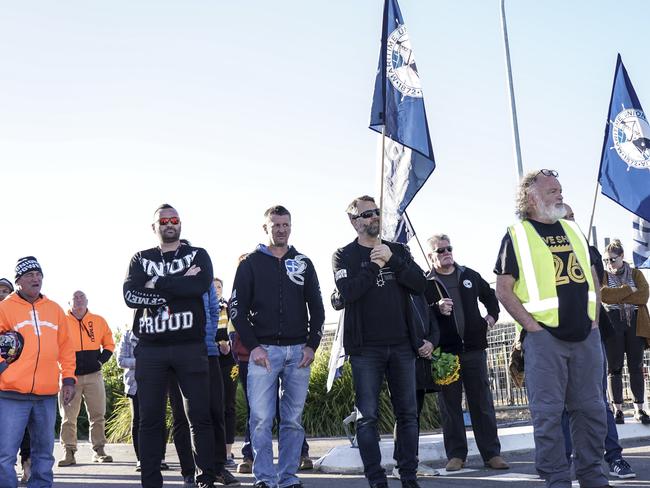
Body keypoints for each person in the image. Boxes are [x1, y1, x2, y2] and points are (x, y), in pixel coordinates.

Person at [494, 169, 608, 488]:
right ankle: (556, 478)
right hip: (545, 340)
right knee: (548, 416)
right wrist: (533, 328)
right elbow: (504, 289)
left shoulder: (573, 231)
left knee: (591, 412)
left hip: (586, 337)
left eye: (560, 189)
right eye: (552, 191)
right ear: (531, 198)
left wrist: (595, 320)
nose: (560, 194)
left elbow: (594, 276)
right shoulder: (517, 235)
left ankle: (592, 476)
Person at [123, 203, 225, 488]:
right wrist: (178, 283)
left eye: (175, 219)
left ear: (180, 223)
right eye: (163, 220)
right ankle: (151, 482)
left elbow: (199, 285)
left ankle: (206, 478)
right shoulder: (140, 258)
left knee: (199, 417)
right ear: (154, 227)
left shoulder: (198, 255)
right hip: (151, 348)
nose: (170, 224)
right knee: (150, 420)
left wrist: (155, 284)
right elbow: (130, 295)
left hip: (189, 346)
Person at [332, 195, 427, 488]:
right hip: (366, 349)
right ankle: (376, 479)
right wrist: (373, 267)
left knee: (408, 414)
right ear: (354, 221)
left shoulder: (397, 249)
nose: (374, 217)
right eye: (366, 214)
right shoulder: (343, 255)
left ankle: (408, 475)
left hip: (401, 345)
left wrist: (393, 260)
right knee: (367, 416)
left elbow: (419, 283)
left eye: (376, 212)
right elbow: (347, 293)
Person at [231, 205, 325, 488]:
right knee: (260, 419)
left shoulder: (304, 263)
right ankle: (264, 478)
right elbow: (237, 309)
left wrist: (312, 346)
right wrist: (254, 347)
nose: (281, 229)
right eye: (275, 225)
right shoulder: (250, 264)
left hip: (298, 353)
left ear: (291, 226)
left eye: (285, 224)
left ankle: (288, 478)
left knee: (293, 420)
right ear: (265, 228)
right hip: (264, 354)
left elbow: (318, 310)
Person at [560, 204, 636, 480]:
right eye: (563, 218)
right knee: (562, 406)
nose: (568, 222)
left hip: (591, 334)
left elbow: (599, 280)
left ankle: (614, 457)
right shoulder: (537, 249)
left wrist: (576, 234)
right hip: (554, 337)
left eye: (571, 217)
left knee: (597, 401)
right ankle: (566, 462)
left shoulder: (585, 248)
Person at [425, 234, 508, 472]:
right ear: (431, 256)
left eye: (448, 248)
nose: (446, 252)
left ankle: (492, 454)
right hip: (444, 354)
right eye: (440, 250)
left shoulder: (469, 275)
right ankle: (456, 455)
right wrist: (436, 307)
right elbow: (419, 312)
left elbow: (490, 297)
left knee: (482, 403)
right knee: (449, 406)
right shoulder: (425, 282)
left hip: (474, 349)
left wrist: (490, 319)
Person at [0, 257, 76, 488]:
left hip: (45, 395)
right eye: (30, 275)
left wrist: (69, 379)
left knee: (44, 455)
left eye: (38, 274)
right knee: (4, 456)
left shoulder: (54, 310)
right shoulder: (4, 308)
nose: (36, 278)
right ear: (19, 281)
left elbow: (66, 348)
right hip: (11, 394)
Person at [117, 329, 197, 486]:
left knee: (160, 419)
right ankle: (141, 459)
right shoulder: (127, 335)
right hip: (136, 383)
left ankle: (161, 458)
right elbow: (120, 360)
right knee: (139, 421)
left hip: (162, 380)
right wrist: (144, 362)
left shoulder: (160, 330)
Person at [58, 290, 115, 466]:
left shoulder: (98, 320)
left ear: (87, 301)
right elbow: (54, 345)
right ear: (69, 303)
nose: (79, 300)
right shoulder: (62, 321)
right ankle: (69, 452)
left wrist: (101, 360)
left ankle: (99, 450)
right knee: (68, 416)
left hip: (93, 375)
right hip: (69, 377)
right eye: (75, 297)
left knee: (98, 414)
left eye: (82, 297)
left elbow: (109, 342)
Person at [600, 239, 650, 424]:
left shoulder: (636, 273)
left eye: (612, 260)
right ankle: (618, 410)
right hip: (612, 322)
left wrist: (618, 296)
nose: (609, 264)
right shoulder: (604, 275)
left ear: (622, 256)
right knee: (615, 367)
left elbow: (643, 295)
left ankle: (639, 409)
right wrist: (629, 290)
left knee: (636, 366)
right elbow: (604, 295)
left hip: (635, 322)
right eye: (606, 261)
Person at [0, 278, 31, 485]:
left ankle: (27, 464)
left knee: (22, 428)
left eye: (6, 290)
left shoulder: (21, 316)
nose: (2, 293)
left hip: (17, 380)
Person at [214, 277, 238, 468]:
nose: (217, 290)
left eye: (220, 286)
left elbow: (237, 328)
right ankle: (215, 451)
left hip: (230, 361)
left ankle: (228, 452)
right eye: (213, 287)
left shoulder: (229, 307)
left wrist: (230, 344)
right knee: (214, 405)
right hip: (211, 359)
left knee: (229, 405)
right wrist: (216, 344)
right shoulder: (204, 307)